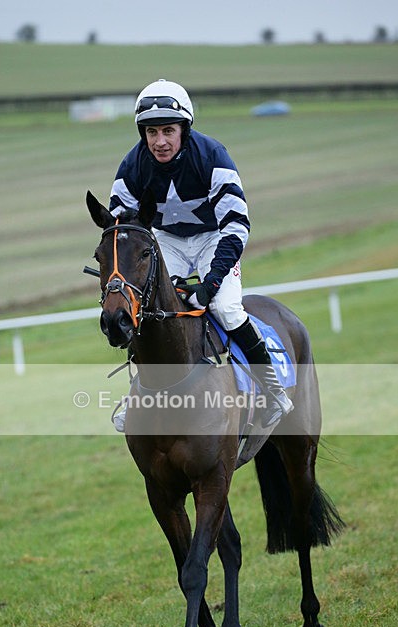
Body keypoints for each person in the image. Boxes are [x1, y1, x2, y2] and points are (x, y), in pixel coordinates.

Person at [109, 79, 293, 429]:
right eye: (151, 132)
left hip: (214, 237)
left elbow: (237, 226)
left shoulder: (213, 157)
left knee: (224, 307)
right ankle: (135, 394)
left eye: (168, 130)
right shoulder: (131, 167)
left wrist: (209, 284)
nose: (159, 141)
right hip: (167, 241)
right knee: (148, 309)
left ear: (184, 129)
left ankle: (272, 391)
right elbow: (121, 229)